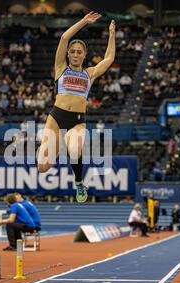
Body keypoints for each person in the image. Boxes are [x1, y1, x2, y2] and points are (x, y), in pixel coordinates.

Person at [37, 12, 116, 203]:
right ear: (68, 54)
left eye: (79, 52)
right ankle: (56, 148)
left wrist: (112, 35)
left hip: (77, 121)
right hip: (56, 117)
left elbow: (108, 59)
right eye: (72, 51)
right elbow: (65, 37)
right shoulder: (60, 68)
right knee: (42, 167)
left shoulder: (90, 73)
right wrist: (83, 22)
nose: (75, 54)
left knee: (74, 150)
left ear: (84, 55)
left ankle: (79, 182)